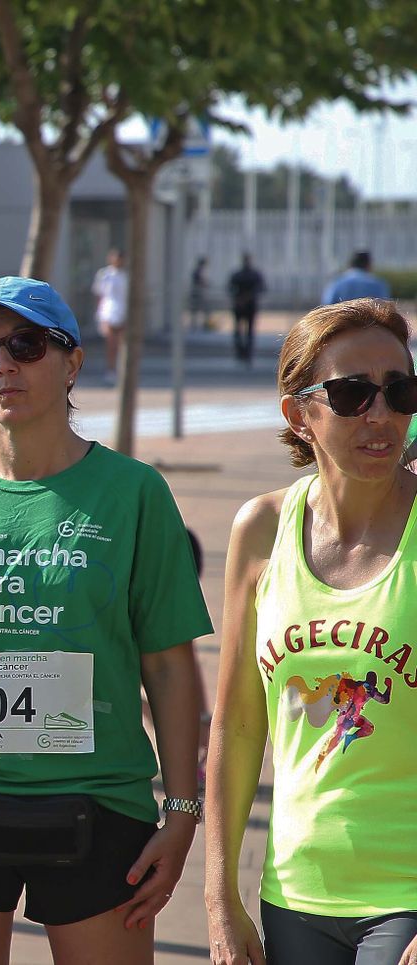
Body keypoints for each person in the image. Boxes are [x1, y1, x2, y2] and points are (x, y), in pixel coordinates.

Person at [0, 276, 209, 964]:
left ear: (73, 361)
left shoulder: (134, 493)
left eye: (26, 344)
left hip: (99, 800)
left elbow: (169, 665)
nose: (2, 365)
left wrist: (183, 810)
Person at [206, 299, 417, 965]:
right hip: (295, 891)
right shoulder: (261, 529)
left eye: (401, 390)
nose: (380, 415)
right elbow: (237, 725)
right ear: (299, 412)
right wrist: (220, 896)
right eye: (352, 393)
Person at [92, 248, 127, 385]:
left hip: (122, 311)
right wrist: (99, 313)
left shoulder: (125, 276)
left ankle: (120, 369)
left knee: (121, 344)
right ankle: (110, 369)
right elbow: (99, 294)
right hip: (108, 311)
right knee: (111, 343)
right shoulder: (104, 274)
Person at [229, 254, 266, 367]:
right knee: (245, 330)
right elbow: (261, 288)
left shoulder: (240, 275)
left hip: (243, 305)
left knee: (242, 330)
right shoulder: (252, 275)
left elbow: (230, 289)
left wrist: (240, 298)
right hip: (248, 305)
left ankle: (243, 352)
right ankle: (245, 352)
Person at [322, 250, 392, 306]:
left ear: (350, 263)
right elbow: (384, 307)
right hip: (370, 322)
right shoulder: (378, 284)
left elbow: (327, 305)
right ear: (368, 265)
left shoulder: (337, 282)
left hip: (342, 322)